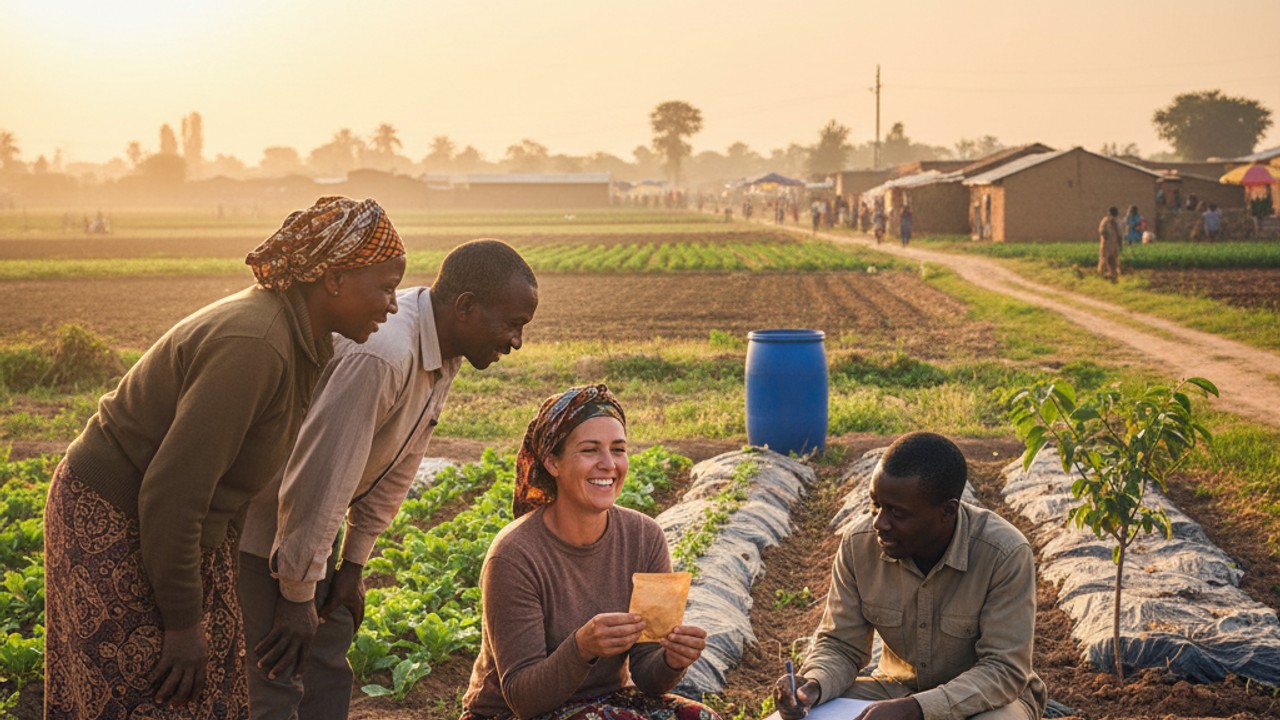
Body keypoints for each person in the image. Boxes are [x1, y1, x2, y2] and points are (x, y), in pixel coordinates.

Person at [43, 196, 407, 718]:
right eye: (385, 287)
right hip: (116, 516)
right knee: (149, 688)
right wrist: (182, 623)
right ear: (333, 279)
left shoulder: (302, 341)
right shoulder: (255, 344)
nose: (393, 305)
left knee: (209, 685)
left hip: (173, 524)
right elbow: (173, 493)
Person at [239, 240, 539, 719]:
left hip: (311, 530)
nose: (517, 341)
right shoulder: (384, 354)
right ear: (465, 307)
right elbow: (321, 474)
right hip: (265, 529)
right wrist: (297, 595)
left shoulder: (442, 349)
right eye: (513, 324)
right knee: (276, 676)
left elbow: (400, 463)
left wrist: (353, 565)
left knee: (327, 662)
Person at [460, 385, 721, 720]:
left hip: (610, 701)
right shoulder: (514, 555)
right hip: (507, 715)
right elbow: (522, 699)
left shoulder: (645, 537)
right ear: (552, 461)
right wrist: (581, 647)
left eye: (618, 449)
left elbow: (646, 675)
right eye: (589, 450)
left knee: (702, 717)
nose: (608, 464)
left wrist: (672, 660)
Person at [774, 432, 1046, 720]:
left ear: (947, 511)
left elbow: (1003, 670)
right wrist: (813, 685)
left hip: (985, 699)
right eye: (875, 505)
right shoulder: (859, 544)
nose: (879, 522)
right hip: (893, 690)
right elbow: (841, 645)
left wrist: (918, 709)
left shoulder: (1003, 553)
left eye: (898, 514)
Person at [1097, 206, 1122, 283]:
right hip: (1106, 245)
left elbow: (1119, 234)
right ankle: (1102, 275)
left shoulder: (1117, 222)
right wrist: (1106, 236)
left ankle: (1114, 275)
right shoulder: (1105, 221)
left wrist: (1120, 244)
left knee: (1114, 261)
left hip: (1114, 246)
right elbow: (1102, 231)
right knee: (1105, 259)